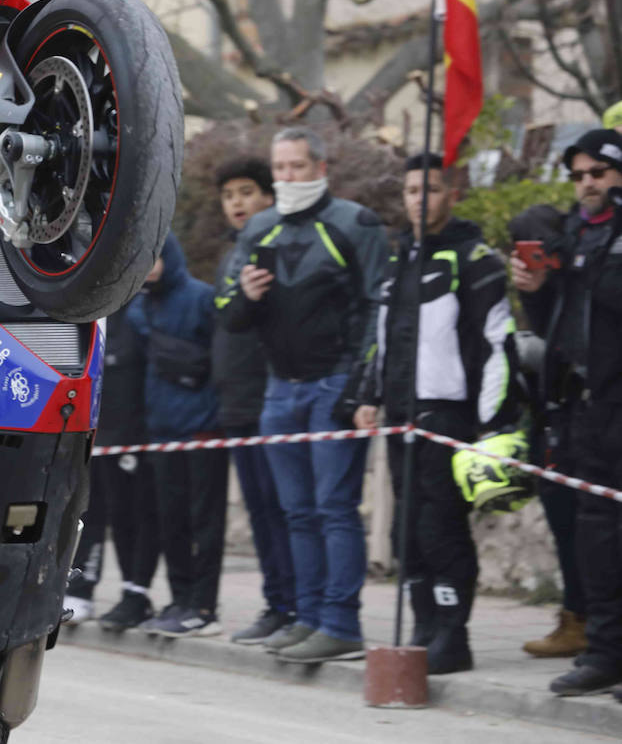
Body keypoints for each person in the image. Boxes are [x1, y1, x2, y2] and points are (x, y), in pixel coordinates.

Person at [217, 127, 387, 664]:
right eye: (280, 168)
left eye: (296, 167)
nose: (287, 178)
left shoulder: (355, 223)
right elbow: (227, 315)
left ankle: (340, 623)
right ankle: (306, 616)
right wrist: (243, 296)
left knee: (333, 507)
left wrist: (363, 387)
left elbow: (376, 310)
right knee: (296, 511)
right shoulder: (261, 228)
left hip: (333, 382)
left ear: (321, 168)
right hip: (279, 387)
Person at [353, 153, 516, 675]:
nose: (420, 199)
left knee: (440, 526)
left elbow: (498, 343)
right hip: (399, 416)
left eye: (432, 189)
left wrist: (493, 425)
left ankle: (453, 633)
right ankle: (423, 626)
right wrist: (368, 396)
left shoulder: (475, 257)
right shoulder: (400, 258)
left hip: (448, 418)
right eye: (412, 191)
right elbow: (381, 339)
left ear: (453, 195)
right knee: (406, 529)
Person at [512, 128, 622, 696]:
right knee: (595, 537)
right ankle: (604, 653)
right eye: (578, 176)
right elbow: (555, 318)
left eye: (598, 174)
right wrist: (535, 286)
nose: (587, 186)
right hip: (581, 405)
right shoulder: (573, 232)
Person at [212, 157, 296, 645]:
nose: (237, 203)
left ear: (269, 197)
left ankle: (297, 607)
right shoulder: (232, 254)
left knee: (287, 510)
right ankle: (276, 603)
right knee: (263, 511)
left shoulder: (278, 248)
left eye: (247, 192)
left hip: (272, 400)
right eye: (228, 195)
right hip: (237, 404)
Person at [130, 234, 226, 638]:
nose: (150, 266)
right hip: (162, 430)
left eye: (156, 257)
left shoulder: (203, 298)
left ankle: (203, 605)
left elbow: (221, 361)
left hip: (203, 429)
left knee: (205, 520)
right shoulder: (138, 308)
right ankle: (180, 597)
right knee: (172, 520)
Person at [67, 301, 159, 631]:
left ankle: (135, 593)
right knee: (87, 512)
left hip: (131, 435)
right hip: (91, 432)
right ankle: (80, 590)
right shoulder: (90, 310)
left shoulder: (136, 312)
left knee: (129, 515)